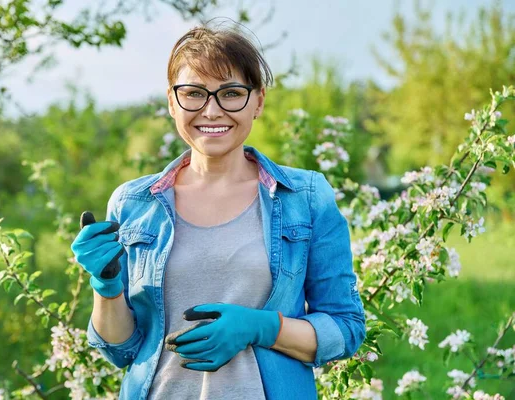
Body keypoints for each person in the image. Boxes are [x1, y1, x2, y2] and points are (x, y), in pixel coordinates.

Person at [71, 20, 366, 400]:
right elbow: (122, 350)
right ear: (171, 101)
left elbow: (345, 329)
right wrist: (106, 286)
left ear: (258, 101)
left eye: (230, 93)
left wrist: (261, 327)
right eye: (193, 93)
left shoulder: (305, 198)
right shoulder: (132, 204)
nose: (211, 111)